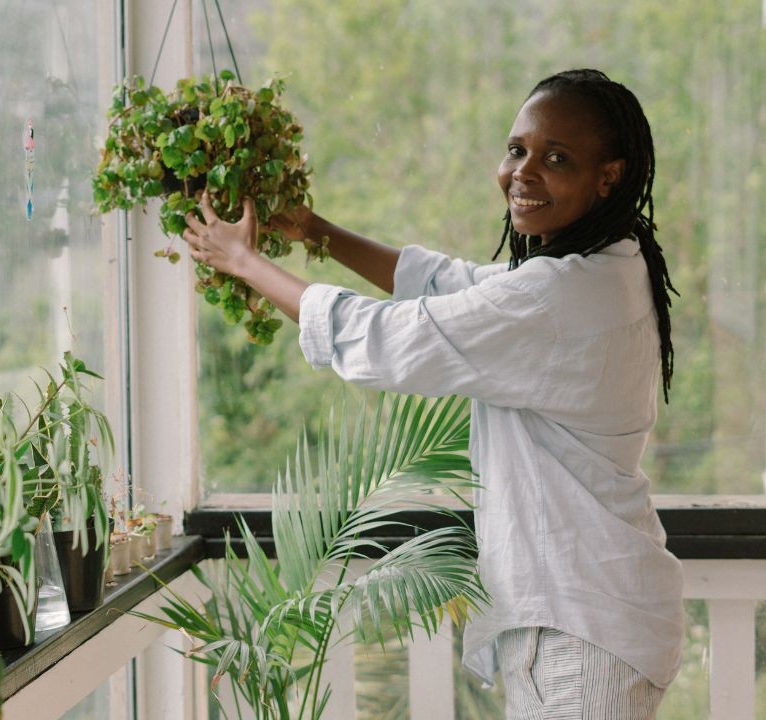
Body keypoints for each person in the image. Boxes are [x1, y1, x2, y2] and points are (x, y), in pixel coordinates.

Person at [180, 68, 684, 719]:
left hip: (579, 629)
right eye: (517, 149)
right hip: (602, 613)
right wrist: (312, 230)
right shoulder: (608, 264)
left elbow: (385, 339)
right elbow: (454, 285)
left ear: (608, 177)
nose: (522, 172)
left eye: (556, 158)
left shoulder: (558, 294)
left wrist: (245, 262)